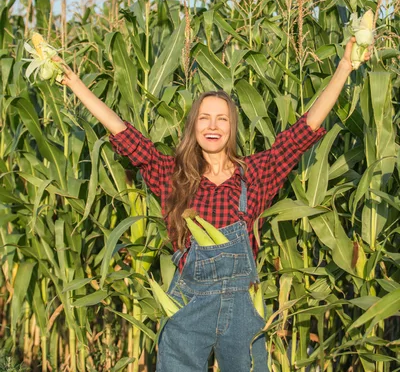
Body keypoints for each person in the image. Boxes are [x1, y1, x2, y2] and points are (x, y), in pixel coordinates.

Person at [55, 37, 371, 372]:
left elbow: (301, 133)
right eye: (204, 118)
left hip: (242, 311)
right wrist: (76, 85)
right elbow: (124, 134)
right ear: (193, 126)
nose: (213, 126)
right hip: (188, 305)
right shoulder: (171, 176)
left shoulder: (256, 175)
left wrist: (344, 67)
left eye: (222, 119)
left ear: (232, 127)